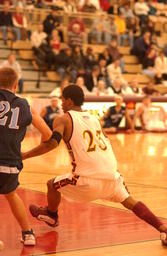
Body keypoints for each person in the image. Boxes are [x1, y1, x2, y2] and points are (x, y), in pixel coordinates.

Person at [22, 85, 167, 246]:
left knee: (52, 184)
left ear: (69, 101)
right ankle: (163, 228)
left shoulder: (63, 118)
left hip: (87, 179)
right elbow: (106, 142)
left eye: (63, 100)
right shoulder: (94, 119)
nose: (62, 103)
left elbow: (51, 144)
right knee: (130, 202)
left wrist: (25, 155)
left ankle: (51, 215)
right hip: (112, 175)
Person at [0, 67, 52, 245]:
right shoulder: (24, 105)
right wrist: (27, 153)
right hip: (11, 164)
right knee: (12, 194)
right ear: (16, 85)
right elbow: (47, 135)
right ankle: (28, 234)